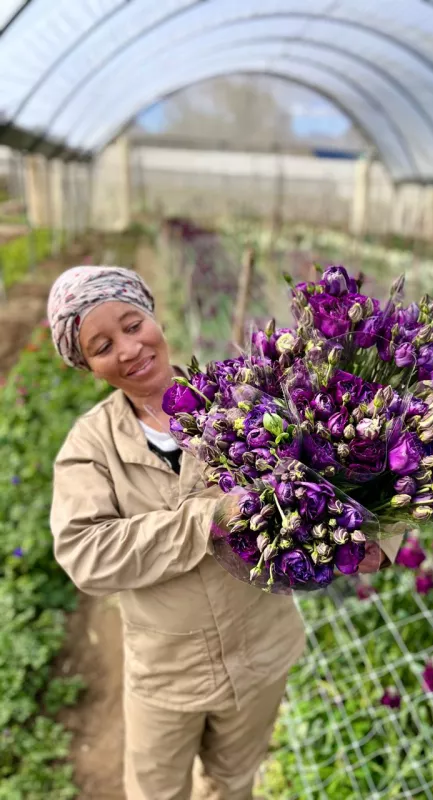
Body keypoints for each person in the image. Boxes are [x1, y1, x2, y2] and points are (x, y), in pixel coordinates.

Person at [47, 265, 308, 800]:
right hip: (169, 673)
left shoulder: (238, 396)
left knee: (233, 783)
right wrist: (208, 519)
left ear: (153, 317)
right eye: (101, 345)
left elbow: (334, 456)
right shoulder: (90, 446)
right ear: (87, 365)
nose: (128, 348)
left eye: (132, 323)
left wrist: (375, 541)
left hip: (262, 649)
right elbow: (85, 553)